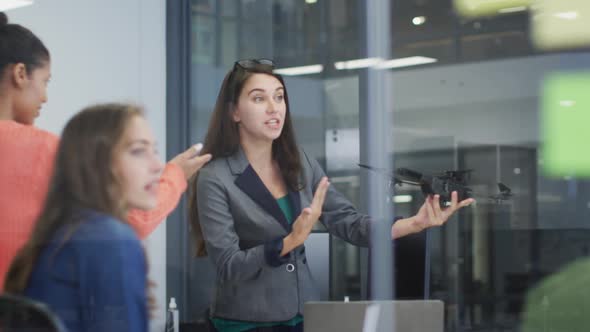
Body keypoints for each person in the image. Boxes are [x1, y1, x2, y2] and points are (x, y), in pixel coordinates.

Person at [188, 59, 475, 332]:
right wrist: (288, 242)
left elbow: (348, 222)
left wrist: (414, 224)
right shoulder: (215, 177)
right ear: (234, 112)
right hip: (245, 322)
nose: (274, 108)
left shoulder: (299, 162)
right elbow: (228, 266)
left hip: (302, 315)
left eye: (279, 97)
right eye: (259, 98)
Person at [0, 12, 211, 289]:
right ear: (20, 74)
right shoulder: (45, 151)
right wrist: (175, 176)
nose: (45, 96)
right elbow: (129, 221)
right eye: (45, 81)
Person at [4, 103, 169, 331]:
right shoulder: (110, 240)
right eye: (138, 151)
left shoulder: (62, 232)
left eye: (155, 150)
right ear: (97, 163)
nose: (158, 166)